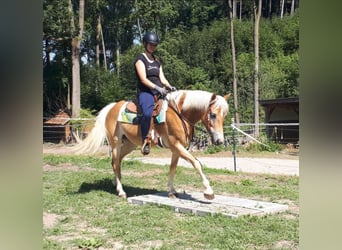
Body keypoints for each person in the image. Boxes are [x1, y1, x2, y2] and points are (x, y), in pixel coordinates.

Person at [134, 31, 176, 155]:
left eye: (155, 45)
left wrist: (169, 86)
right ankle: (145, 141)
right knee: (147, 113)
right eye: (151, 44)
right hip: (146, 92)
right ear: (145, 44)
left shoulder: (157, 61)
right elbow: (143, 79)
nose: (153, 47)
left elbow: (162, 78)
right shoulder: (140, 60)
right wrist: (157, 88)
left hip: (159, 92)